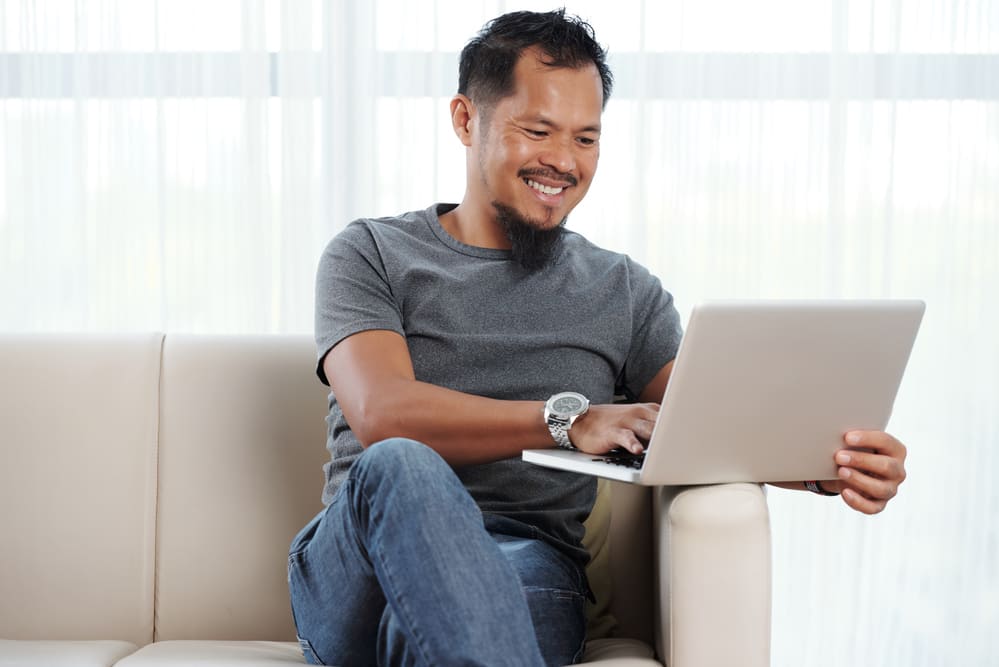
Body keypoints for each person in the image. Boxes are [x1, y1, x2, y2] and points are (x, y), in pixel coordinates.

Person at [287, 9, 908, 666]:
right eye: (537, 131)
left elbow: (710, 425)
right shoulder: (372, 253)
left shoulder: (622, 292)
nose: (562, 160)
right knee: (402, 464)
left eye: (586, 138)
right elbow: (384, 416)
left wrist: (831, 465)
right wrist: (565, 421)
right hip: (358, 575)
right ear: (466, 120)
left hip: (523, 566)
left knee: (435, 634)